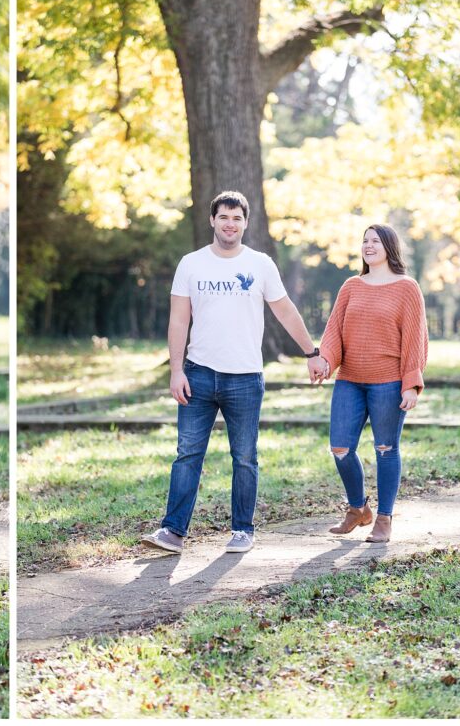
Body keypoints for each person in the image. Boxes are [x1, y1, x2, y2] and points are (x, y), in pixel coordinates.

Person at [141, 191, 328, 555]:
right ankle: (172, 532)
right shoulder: (191, 264)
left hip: (244, 377)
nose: (230, 224)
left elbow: (286, 311)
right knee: (187, 454)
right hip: (197, 374)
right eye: (223, 217)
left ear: (245, 223)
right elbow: (179, 320)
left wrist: (312, 352)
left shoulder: (260, 265)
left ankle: (242, 530)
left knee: (244, 456)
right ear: (212, 220)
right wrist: (176, 370)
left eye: (237, 218)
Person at [319, 224, 428, 543]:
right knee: (340, 446)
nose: (368, 245)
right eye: (364, 241)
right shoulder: (351, 285)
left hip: (388, 383)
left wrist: (411, 383)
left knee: (385, 448)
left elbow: (415, 340)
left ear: (389, 247)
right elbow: (333, 331)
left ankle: (384, 518)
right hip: (349, 380)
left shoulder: (407, 288)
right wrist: (325, 360)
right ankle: (358, 509)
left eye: (375, 241)